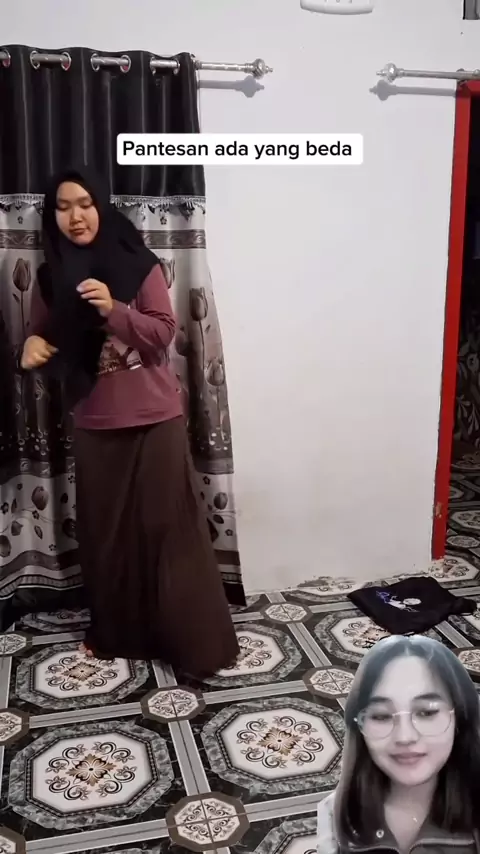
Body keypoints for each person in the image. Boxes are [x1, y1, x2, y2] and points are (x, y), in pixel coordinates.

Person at [20, 167, 240, 676]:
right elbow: (45, 341)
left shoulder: (138, 265)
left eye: (85, 204)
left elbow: (162, 335)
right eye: (63, 207)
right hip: (95, 422)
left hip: (154, 418)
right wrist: (30, 347)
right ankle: (118, 634)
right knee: (107, 536)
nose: (76, 216)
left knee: (169, 531)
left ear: (102, 206)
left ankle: (194, 644)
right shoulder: (51, 278)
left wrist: (113, 309)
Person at [317, 635, 480, 854]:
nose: (405, 736)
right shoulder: (334, 814)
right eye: (381, 716)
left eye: (426, 712)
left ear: (460, 716)